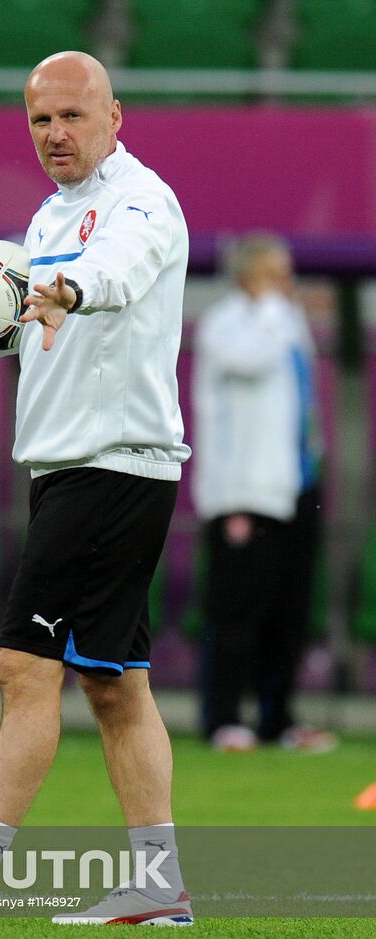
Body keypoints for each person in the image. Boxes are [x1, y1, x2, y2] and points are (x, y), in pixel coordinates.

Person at [0, 51, 193, 925]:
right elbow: (32, 327)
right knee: (114, 684)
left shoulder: (141, 201)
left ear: (113, 117)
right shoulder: (48, 215)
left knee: (23, 666)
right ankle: (158, 886)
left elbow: (115, 274)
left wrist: (66, 287)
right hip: (72, 467)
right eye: (40, 120)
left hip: (110, 463)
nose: (55, 133)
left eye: (72, 116)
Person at [192, 233, 335, 753]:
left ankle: (279, 718)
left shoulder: (286, 321)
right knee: (236, 609)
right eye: (278, 273)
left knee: (290, 609)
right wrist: (274, 307)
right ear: (250, 276)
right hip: (243, 491)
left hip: (295, 484)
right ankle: (224, 718)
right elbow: (249, 361)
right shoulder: (225, 323)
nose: (288, 282)